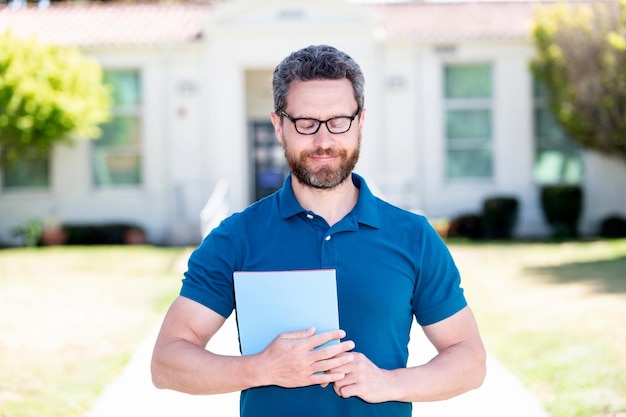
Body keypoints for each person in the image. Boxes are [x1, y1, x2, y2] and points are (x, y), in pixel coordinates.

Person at [151, 44, 486, 417]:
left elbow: (469, 360)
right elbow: (167, 363)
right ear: (279, 126)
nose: (324, 140)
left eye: (339, 121)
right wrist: (262, 368)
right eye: (306, 123)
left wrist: (389, 383)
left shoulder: (414, 236)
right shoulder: (236, 237)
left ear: (360, 122)